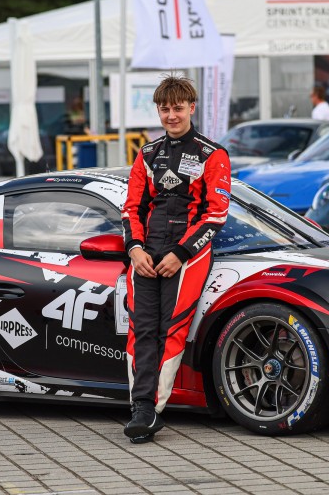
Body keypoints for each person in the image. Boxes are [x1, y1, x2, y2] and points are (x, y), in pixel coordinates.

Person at [121, 76, 231, 443]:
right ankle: (140, 408)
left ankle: (151, 410)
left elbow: (216, 215)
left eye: (178, 108)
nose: (171, 115)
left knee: (171, 329)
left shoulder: (212, 154)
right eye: (165, 109)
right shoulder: (147, 154)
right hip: (146, 253)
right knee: (142, 329)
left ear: (191, 108)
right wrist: (135, 249)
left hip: (188, 255)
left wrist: (181, 253)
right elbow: (131, 209)